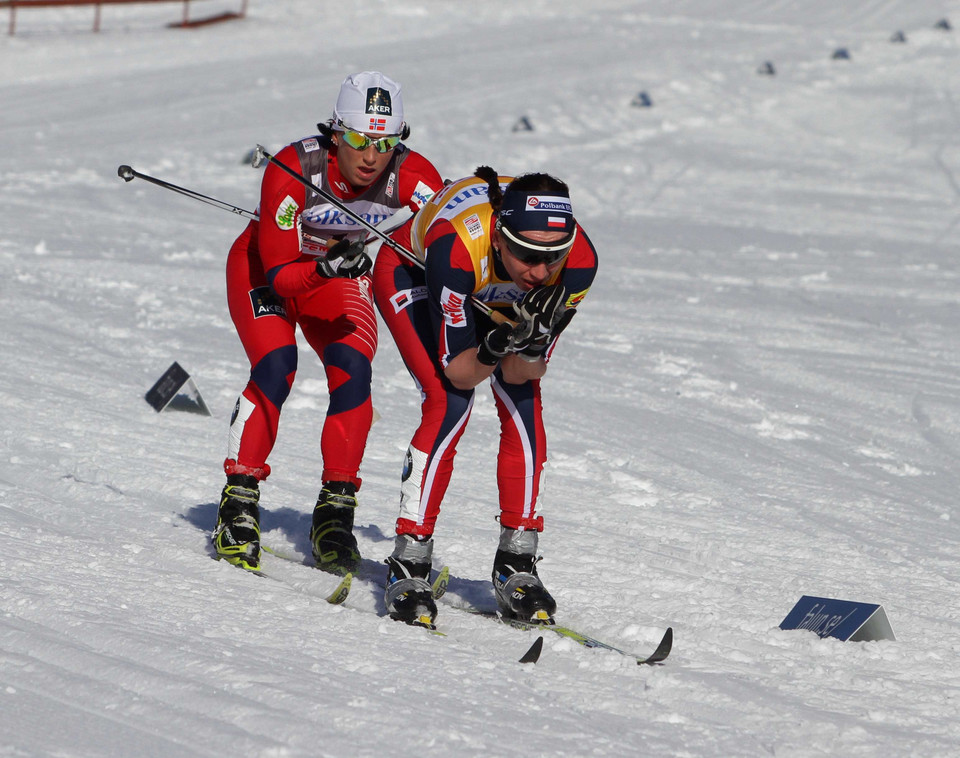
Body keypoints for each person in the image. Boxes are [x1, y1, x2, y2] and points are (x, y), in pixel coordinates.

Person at [213, 72, 444, 575]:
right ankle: (239, 501)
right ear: (335, 134)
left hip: (336, 275)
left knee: (354, 374)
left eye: (385, 143)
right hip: (269, 269)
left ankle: (334, 513)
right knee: (277, 367)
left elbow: (452, 228)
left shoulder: (411, 175)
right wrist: (325, 266)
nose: (370, 156)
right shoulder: (295, 168)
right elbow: (279, 278)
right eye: (359, 139)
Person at [372, 166, 598, 626]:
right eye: (526, 255)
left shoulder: (578, 264)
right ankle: (409, 561)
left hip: (489, 298)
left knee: (523, 402)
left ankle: (516, 561)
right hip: (416, 275)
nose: (539, 271)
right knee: (449, 404)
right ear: (498, 238)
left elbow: (522, 371)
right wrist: (495, 345)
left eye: (552, 257)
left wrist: (531, 340)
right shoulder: (457, 246)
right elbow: (460, 373)